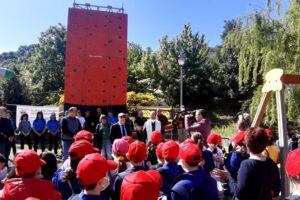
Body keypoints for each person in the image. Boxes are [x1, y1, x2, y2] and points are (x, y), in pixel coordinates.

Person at [213, 127, 281, 200]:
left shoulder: (247, 165)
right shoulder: (271, 163)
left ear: (248, 145)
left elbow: (239, 193)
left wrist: (228, 177)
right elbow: (276, 190)